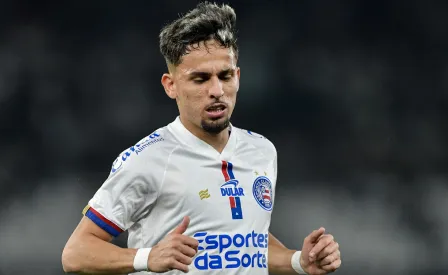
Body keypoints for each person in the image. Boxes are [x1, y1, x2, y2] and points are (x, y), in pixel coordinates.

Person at [61, 2, 341, 274]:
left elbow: (247, 242)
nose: (217, 90)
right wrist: (147, 257)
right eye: (201, 78)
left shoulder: (262, 151)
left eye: (225, 75)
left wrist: (298, 262)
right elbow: (76, 253)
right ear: (170, 85)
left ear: (239, 77)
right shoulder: (147, 159)